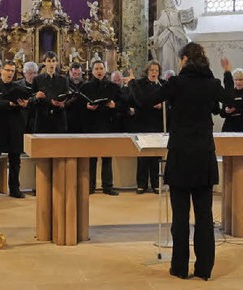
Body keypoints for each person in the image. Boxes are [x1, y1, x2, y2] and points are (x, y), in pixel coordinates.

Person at [134, 42, 232, 280]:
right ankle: (204, 269)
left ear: (185, 59)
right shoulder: (212, 84)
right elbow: (230, 99)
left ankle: (179, 268)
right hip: (203, 156)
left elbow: (146, 101)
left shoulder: (176, 84)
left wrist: (132, 82)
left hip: (180, 155)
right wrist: (227, 72)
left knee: (180, 217)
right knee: (205, 216)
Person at [0, 61, 29, 199]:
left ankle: (15, 189)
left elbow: (26, 105)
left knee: (15, 159)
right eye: (8, 70)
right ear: (1, 71)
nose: (10, 73)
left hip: (15, 126)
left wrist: (24, 104)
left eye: (12, 71)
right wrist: (8, 104)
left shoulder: (18, 87)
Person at [80, 60, 121, 196]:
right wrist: (86, 106)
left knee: (107, 157)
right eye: (96, 68)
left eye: (101, 68)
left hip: (107, 125)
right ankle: (90, 186)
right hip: (91, 125)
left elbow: (122, 103)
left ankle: (107, 186)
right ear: (92, 71)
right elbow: (78, 105)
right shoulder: (85, 87)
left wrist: (114, 105)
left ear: (105, 70)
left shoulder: (113, 87)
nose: (99, 71)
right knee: (91, 158)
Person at [127, 61, 167, 194]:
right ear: (147, 71)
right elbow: (138, 101)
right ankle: (142, 184)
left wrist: (162, 106)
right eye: (152, 70)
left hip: (157, 124)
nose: (154, 73)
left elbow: (170, 103)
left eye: (156, 70)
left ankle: (156, 183)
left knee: (155, 155)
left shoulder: (163, 85)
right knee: (143, 155)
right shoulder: (140, 84)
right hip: (143, 123)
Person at [151, 0, 196, 73]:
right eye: (167, 1)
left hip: (178, 38)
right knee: (167, 59)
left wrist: (192, 20)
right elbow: (159, 26)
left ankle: (179, 75)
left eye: (171, 1)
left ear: (176, 1)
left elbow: (191, 27)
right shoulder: (164, 14)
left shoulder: (180, 13)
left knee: (178, 57)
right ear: (164, 3)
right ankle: (167, 77)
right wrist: (157, 27)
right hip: (167, 38)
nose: (169, 2)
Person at [30, 51, 70, 133]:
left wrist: (63, 103)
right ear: (44, 62)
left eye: (53, 61)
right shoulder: (37, 79)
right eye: (48, 61)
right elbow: (31, 99)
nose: (51, 64)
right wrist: (37, 97)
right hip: (42, 119)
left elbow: (68, 97)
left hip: (59, 119)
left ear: (57, 63)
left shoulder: (63, 80)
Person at [15, 61, 38, 133]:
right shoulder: (17, 85)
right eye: (30, 73)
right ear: (24, 73)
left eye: (35, 73)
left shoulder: (41, 85)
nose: (33, 75)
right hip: (20, 117)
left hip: (35, 118)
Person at [65, 63, 85, 133]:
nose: (76, 76)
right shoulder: (64, 84)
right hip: (68, 118)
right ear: (70, 72)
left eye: (79, 74)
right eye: (74, 74)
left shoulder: (85, 85)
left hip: (82, 119)